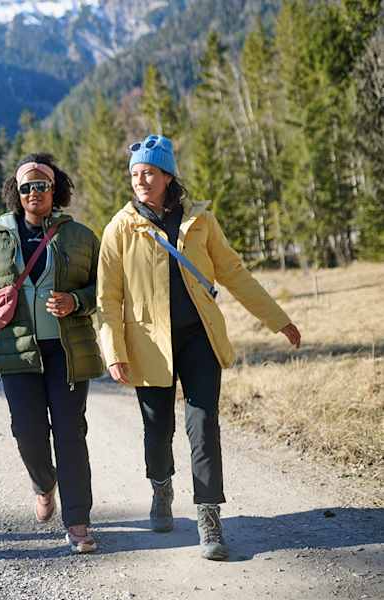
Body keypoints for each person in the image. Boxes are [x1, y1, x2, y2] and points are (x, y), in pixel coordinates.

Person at [97, 134, 303, 561]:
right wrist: (114, 351)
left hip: (199, 339)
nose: (140, 181)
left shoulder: (200, 221)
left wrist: (278, 319)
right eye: (135, 174)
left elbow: (234, 273)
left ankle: (209, 517)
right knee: (158, 430)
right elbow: (108, 298)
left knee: (204, 425)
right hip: (149, 344)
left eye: (149, 173)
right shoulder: (120, 228)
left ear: (168, 176)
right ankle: (161, 488)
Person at [0, 154, 105, 554]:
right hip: (16, 354)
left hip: (68, 352)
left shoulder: (80, 236)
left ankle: (78, 522)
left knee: (70, 434)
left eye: (42, 185)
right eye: (26, 187)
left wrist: (76, 301)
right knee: (28, 432)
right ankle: (43, 482)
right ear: (15, 193)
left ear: (56, 190)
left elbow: (105, 287)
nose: (34, 193)